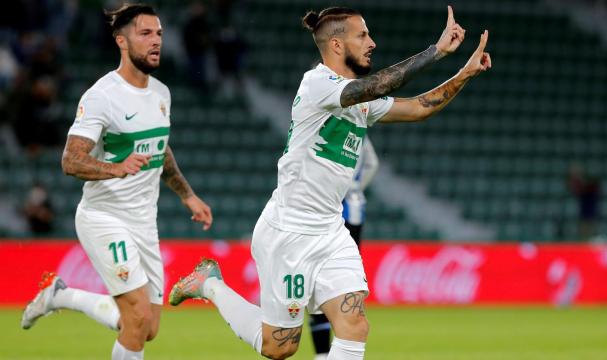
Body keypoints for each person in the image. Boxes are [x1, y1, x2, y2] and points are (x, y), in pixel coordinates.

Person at [169, 6, 490, 360]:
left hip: (330, 230)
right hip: (289, 233)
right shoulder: (318, 83)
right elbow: (378, 84)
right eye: (363, 35)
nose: (372, 42)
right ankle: (210, 285)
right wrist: (437, 52)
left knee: (355, 326)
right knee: (280, 347)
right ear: (336, 45)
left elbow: (418, 108)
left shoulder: (359, 102)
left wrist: (464, 73)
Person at [20, 4, 212, 360]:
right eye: (145, 34)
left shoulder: (161, 93)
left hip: (143, 222)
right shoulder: (102, 96)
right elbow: (70, 159)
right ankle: (60, 296)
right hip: (104, 217)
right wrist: (115, 168)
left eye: (159, 34)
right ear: (121, 41)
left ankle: (60, 295)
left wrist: (188, 195)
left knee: (147, 327)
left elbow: (160, 149)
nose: (156, 41)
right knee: (136, 318)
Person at [310, 136, 378, 359]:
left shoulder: (327, 129)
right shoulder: (360, 133)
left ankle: (322, 352)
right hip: (354, 210)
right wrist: (357, 188)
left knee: (317, 277)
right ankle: (345, 342)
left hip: (326, 209)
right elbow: (372, 163)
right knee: (347, 278)